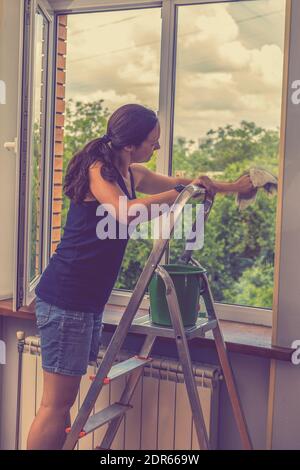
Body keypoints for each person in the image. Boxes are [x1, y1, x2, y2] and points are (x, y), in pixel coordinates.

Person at [27, 103, 253, 450]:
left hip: (87, 301)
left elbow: (183, 183)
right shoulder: (98, 171)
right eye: (153, 141)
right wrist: (181, 194)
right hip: (65, 299)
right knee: (54, 406)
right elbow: (125, 213)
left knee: (64, 405)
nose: (157, 148)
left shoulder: (131, 172)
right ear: (130, 144)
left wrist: (233, 187)